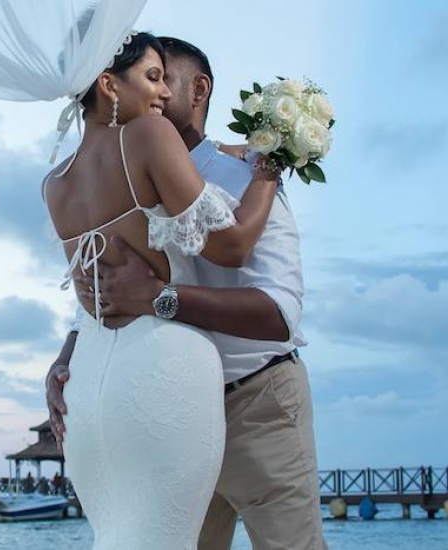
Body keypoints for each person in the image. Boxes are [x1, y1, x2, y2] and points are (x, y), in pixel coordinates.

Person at [46, 37, 328, 550]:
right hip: (167, 400)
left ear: (198, 90)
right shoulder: (136, 158)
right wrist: (68, 353)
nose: (155, 93)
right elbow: (106, 286)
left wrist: (158, 298)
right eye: (147, 77)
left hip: (255, 402)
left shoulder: (240, 175)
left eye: (162, 78)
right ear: (109, 85)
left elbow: (281, 316)